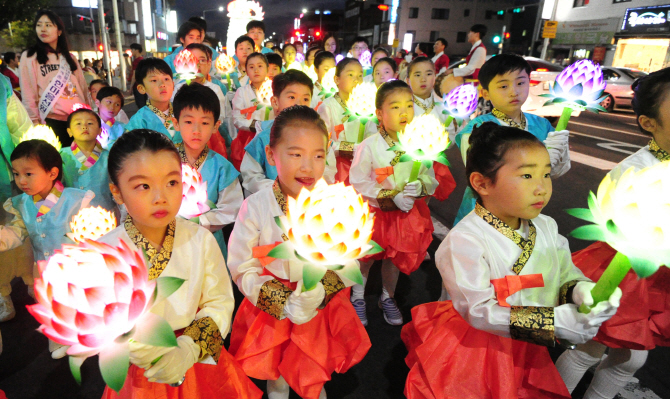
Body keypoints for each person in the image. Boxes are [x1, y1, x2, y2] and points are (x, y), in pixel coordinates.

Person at [401, 122, 621, 399]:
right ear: (482, 183)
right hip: (477, 347)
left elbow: (564, 273)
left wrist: (581, 290)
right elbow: (478, 310)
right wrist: (550, 323)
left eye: (546, 174)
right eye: (527, 176)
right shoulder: (465, 240)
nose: (541, 188)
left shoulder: (547, 226)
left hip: (526, 342)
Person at [98, 129, 261, 399]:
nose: (160, 196)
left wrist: (189, 347)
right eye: (143, 186)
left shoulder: (200, 238)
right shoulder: (105, 251)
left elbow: (219, 302)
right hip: (141, 366)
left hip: (194, 355)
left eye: (172, 183)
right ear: (117, 191)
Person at [228, 105, 371, 399]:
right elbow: (242, 265)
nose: (308, 167)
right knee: (276, 374)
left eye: (318, 156)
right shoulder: (255, 206)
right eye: (296, 154)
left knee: (312, 371)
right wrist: (283, 301)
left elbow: (350, 256)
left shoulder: (334, 203)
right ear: (271, 155)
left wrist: (320, 292)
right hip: (273, 306)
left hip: (319, 304)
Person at [555, 68, 670, 399]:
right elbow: (616, 223)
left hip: (656, 278)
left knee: (630, 358)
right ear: (649, 123)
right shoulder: (636, 169)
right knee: (589, 349)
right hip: (625, 272)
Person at [349, 80, 437, 326]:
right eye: (396, 107)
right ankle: (358, 297)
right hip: (374, 213)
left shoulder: (419, 144)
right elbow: (357, 181)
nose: (404, 112)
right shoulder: (369, 146)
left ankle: (388, 297)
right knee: (365, 258)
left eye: (409, 106)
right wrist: (387, 195)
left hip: (403, 217)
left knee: (394, 260)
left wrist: (421, 186)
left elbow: (430, 177)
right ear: (380, 113)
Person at [0, 139, 94, 357]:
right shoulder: (21, 203)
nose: (21, 180)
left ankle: (86, 337)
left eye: (28, 174)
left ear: (52, 173)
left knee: (80, 303)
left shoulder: (76, 200)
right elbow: (17, 231)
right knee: (52, 306)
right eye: (16, 174)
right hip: (43, 269)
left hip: (75, 267)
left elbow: (90, 234)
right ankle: (59, 340)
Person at [453, 54, 571, 226]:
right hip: (486, 212)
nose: (514, 91)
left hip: (529, 207)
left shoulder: (542, 125)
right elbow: (480, 171)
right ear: (485, 92)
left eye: (520, 83)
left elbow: (558, 169)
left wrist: (554, 161)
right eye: (503, 86)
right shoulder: (476, 129)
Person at [172, 83, 243, 258]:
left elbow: (232, 207)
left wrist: (200, 222)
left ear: (215, 126)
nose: (196, 130)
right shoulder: (164, 162)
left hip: (209, 240)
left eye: (204, 123)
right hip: (171, 239)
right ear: (176, 123)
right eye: (188, 122)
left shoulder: (221, 166)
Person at [241, 70, 335, 195]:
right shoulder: (263, 138)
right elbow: (251, 176)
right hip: (273, 200)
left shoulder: (318, 137)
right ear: (275, 102)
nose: (299, 104)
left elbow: (328, 171)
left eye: (306, 99)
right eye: (291, 97)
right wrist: (282, 189)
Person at [20, 10, 89, 148]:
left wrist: (90, 114)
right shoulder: (30, 57)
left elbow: (83, 88)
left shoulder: (70, 58)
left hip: (79, 121)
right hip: (52, 122)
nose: (43, 29)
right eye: (39, 25)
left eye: (48, 25)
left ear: (59, 31)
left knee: (84, 163)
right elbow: (28, 93)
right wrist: (35, 123)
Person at [0, 74, 32, 323]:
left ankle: (30, 280)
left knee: (17, 231)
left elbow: (20, 127)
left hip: (6, 173)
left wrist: (33, 166)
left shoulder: (1, 83)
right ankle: (3, 294)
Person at [173, 43, 232, 158]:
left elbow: (221, 116)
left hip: (209, 138)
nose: (197, 64)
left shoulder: (215, 88)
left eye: (202, 60)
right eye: (192, 60)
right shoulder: (177, 88)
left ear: (209, 64)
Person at [316, 58, 368, 184]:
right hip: (338, 167)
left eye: (360, 76)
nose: (356, 80)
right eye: (350, 75)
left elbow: (371, 135)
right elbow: (324, 143)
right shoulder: (327, 107)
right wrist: (352, 148)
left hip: (363, 166)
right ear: (337, 79)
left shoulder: (366, 107)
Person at [60, 107, 115, 212]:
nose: (84, 127)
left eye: (90, 123)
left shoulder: (110, 156)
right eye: (78, 124)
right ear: (69, 131)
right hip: (71, 212)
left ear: (100, 130)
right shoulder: (61, 155)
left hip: (105, 212)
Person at [230, 52, 274, 170]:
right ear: (246, 71)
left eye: (260, 66)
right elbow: (237, 119)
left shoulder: (275, 90)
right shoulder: (242, 91)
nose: (256, 70)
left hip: (272, 136)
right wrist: (256, 125)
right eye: (251, 67)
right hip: (248, 137)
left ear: (267, 68)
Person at [125, 58, 180, 143]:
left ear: (173, 85)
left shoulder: (183, 110)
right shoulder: (139, 120)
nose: (162, 85)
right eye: (154, 80)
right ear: (141, 88)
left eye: (166, 79)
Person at [441, 24, 487, 94]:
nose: (468, 35)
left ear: (477, 34)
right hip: (469, 84)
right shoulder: (476, 48)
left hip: (473, 85)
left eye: (470, 32)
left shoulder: (480, 49)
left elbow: (471, 68)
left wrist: (453, 70)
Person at [129, 43, 145, 107]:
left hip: (137, 86)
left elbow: (134, 75)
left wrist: (130, 87)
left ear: (137, 50)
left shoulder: (137, 61)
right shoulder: (143, 60)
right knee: (144, 104)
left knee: (140, 104)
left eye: (132, 50)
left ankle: (144, 117)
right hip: (143, 85)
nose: (131, 52)